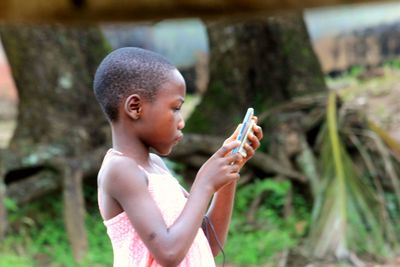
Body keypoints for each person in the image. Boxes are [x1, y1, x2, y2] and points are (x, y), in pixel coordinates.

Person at [93, 47, 263, 267]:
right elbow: (169, 252)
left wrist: (228, 173)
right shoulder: (120, 170)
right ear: (135, 107)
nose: (181, 121)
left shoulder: (156, 166)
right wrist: (203, 183)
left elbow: (207, 242)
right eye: (175, 108)